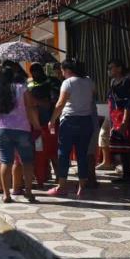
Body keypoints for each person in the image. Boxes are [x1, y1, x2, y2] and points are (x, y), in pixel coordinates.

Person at [0, 65, 40, 203]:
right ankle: (28, 192)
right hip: (22, 129)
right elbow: (30, 108)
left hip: (2, 130)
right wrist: (36, 125)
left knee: (5, 161)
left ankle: (6, 194)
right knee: (27, 162)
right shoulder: (21, 88)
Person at [47, 59, 95, 198]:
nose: (62, 73)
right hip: (86, 121)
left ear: (68, 70)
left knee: (63, 153)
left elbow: (60, 103)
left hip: (70, 120)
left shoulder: (68, 82)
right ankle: (82, 188)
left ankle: (61, 186)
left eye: (62, 70)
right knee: (82, 154)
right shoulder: (89, 81)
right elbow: (91, 97)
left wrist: (52, 120)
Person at [107, 59, 130, 185]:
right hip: (116, 117)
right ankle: (126, 175)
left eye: (112, 67)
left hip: (126, 118)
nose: (109, 70)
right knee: (122, 149)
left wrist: (125, 121)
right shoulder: (112, 82)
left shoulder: (127, 82)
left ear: (119, 68)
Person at [29, 63, 57, 186]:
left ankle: (58, 178)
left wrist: (37, 101)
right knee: (39, 153)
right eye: (32, 71)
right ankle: (42, 177)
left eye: (37, 71)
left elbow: (52, 102)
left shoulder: (51, 83)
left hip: (49, 123)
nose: (35, 74)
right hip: (36, 124)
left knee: (52, 152)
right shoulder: (29, 84)